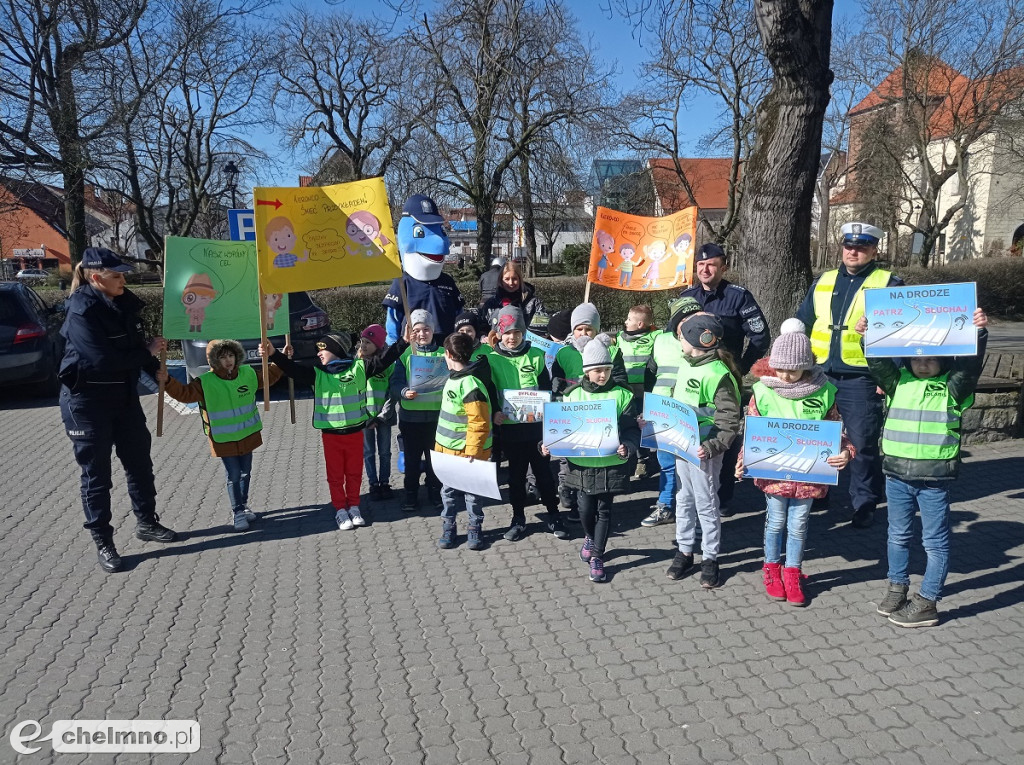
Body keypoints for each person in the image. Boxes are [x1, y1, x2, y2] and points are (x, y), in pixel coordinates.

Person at [857, 308, 988, 627]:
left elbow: (970, 365)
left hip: (933, 480)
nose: (923, 361)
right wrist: (867, 336)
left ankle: (928, 600)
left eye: (932, 356)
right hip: (896, 476)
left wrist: (978, 334)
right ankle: (897, 588)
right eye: (917, 357)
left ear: (945, 359)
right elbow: (877, 361)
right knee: (897, 535)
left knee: (935, 541)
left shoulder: (954, 386)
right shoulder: (897, 381)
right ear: (908, 358)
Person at [58, 247, 177, 574]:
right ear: (96, 278)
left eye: (123, 273)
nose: (124, 279)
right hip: (86, 403)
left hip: (124, 397)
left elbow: (135, 347)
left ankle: (147, 523)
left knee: (139, 463)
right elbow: (103, 361)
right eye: (117, 275)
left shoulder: (124, 303)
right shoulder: (81, 311)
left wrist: (156, 366)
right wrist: (145, 353)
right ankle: (103, 540)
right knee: (97, 476)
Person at [735, 320, 854, 606]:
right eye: (782, 369)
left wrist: (847, 451)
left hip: (809, 477)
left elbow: (836, 429)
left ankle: (793, 572)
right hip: (774, 474)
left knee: (799, 525)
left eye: (794, 369)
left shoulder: (823, 392)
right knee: (775, 522)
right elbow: (753, 432)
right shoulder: (763, 392)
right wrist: (743, 461)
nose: (787, 376)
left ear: (807, 366)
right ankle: (772, 569)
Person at [795, 222, 904, 528]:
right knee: (819, 437)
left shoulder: (889, 284)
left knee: (862, 442)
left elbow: (898, 335)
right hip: (819, 374)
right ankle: (819, 491)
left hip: (862, 378)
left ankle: (865, 501)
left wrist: (889, 377)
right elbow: (804, 321)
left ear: (874, 250)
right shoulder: (824, 281)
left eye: (861, 247)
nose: (853, 252)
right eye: (849, 246)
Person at [267, 330, 404, 529]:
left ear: (336, 351)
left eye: (323, 349)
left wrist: (405, 341)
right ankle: (340, 510)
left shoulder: (359, 368)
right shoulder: (317, 373)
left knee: (355, 473)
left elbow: (385, 358)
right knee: (335, 475)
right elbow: (292, 369)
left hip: (355, 433)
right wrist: (273, 354)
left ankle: (354, 507)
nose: (319, 354)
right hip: (331, 436)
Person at [679, 243, 770, 516]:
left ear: (723, 267)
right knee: (693, 429)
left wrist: (740, 367)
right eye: (700, 265)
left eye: (712, 265)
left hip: (723, 378)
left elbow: (760, 336)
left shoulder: (738, 297)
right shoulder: (686, 296)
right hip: (694, 376)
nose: (705, 269)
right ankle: (693, 493)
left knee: (725, 432)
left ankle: (724, 496)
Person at [156, 340, 285, 531]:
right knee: (233, 475)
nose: (228, 361)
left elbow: (269, 378)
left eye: (231, 356)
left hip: (247, 435)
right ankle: (238, 511)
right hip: (223, 439)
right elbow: (184, 394)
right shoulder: (205, 382)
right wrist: (167, 381)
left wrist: (281, 359)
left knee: (246, 472)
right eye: (222, 357)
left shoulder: (247, 373)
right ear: (213, 360)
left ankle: (244, 504)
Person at [543, 335, 640, 583]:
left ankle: (598, 555)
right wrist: (546, 445)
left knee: (605, 510)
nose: (602, 375)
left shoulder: (623, 395)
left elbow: (630, 429)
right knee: (585, 510)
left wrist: (627, 446)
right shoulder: (572, 395)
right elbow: (559, 429)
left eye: (607, 370)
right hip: (582, 464)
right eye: (597, 370)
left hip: (611, 464)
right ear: (587, 371)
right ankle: (589, 536)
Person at [666, 314, 742, 589]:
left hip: (704, 451)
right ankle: (685, 550)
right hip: (681, 445)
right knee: (683, 497)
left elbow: (729, 420)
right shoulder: (686, 364)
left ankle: (710, 557)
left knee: (706, 502)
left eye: (682, 336)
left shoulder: (718, 374)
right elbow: (675, 403)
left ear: (697, 341)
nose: (679, 340)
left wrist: (712, 447)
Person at [489, 306, 567, 541]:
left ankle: (554, 515)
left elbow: (545, 389)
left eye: (517, 332)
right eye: (507, 333)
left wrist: (549, 408)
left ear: (523, 333)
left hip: (536, 429)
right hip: (511, 430)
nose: (512, 338)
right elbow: (491, 391)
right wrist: (494, 412)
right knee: (515, 476)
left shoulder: (536, 355)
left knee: (544, 474)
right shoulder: (492, 359)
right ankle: (518, 518)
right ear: (499, 334)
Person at [640, 296, 701, 528]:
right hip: (663, 411)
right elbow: (650, 374)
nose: (690, 323)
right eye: (685, 319)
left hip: (692, 413)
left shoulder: (707, 342)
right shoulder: (661, 341)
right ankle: (665, 506)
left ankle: (693, 508)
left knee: (691, 465)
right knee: (665, 462)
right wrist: (649, 406)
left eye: (695, 317)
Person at [435, 332, 495, 550]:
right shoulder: (454, 378)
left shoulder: (470, 385)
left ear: (448, 354)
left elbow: (479, 421)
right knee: (448, 493)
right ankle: (449, 526)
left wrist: (472, 449)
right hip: (448, 451)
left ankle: (474, 527)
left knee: (472, 494)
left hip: (470, 453)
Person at [382, 194, 465, 344]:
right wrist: (394, 353)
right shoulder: (403, 283)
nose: (440, 241)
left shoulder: (447, 281)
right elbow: (393, 322)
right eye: (420, 232)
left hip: (445, 351)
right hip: (413, 353)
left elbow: (459, 315)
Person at [390, 309, 447, 513]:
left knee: (435, 461)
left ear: (432, 330)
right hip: (410, 419)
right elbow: (395, 383)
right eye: (417, 330)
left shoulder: (443, 353)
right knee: (412, 461)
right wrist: (404, 392)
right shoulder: (404, 354)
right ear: (410, 332)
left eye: (426, 329)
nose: (422, 334)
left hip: (437, 419)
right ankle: (411, 495)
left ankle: (435, 493)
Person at [617, 304, 661, 478]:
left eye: (629, 319)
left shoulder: (656, 336)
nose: (625, 322)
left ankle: (649, 460)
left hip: (646, 392)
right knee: (632, 425)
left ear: (641, 324)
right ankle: (637, 460)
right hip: (627, 392)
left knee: (646, 425)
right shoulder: (620, 338)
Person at [358, 324, 396, 501]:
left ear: (379, 344)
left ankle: (384, 482)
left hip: (383, 418)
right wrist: (365, 416)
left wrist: (381, 417)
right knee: (368, 452)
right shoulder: (357, 364)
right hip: (364, 418)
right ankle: (373, 483)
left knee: (385, 452)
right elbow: (355, 393)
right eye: (362, 341)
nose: (364, 345)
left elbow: (391, 392)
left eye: (368, 342)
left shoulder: (387, 364)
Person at [480, 261, 546, 333]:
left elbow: (541, 329)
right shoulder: (491, 304)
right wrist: (484, 336)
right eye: (507, 279)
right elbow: (482, 327)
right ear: (501, 281)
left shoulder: (534, 303)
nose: (511, 283)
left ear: (520, 280)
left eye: (514, 279)